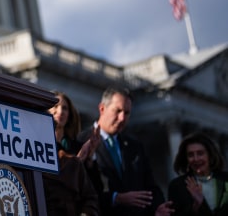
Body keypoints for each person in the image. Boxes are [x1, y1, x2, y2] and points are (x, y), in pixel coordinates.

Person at [79, 87, 173, 216]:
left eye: (127, 113)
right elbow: (79, 190)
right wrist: (116, 198)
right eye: (117, 111)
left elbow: (150, 186)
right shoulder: (80, 142)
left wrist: (157, 207)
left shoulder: (135, 147)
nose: (122, 118)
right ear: (102, 109)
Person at [43, 91, 100, 216]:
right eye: (55, 106)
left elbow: (94, 190)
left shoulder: (78, 145)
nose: (60, 111)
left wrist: (89, 158)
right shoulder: (39, 147)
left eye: (65, 108)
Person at [168, 132, 228, 216]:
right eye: (190, 155)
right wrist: (196, 207)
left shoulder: (226, 179)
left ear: (210, 155)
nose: (195, 159)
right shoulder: (177, 186)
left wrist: (202, 203)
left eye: (200, 153)